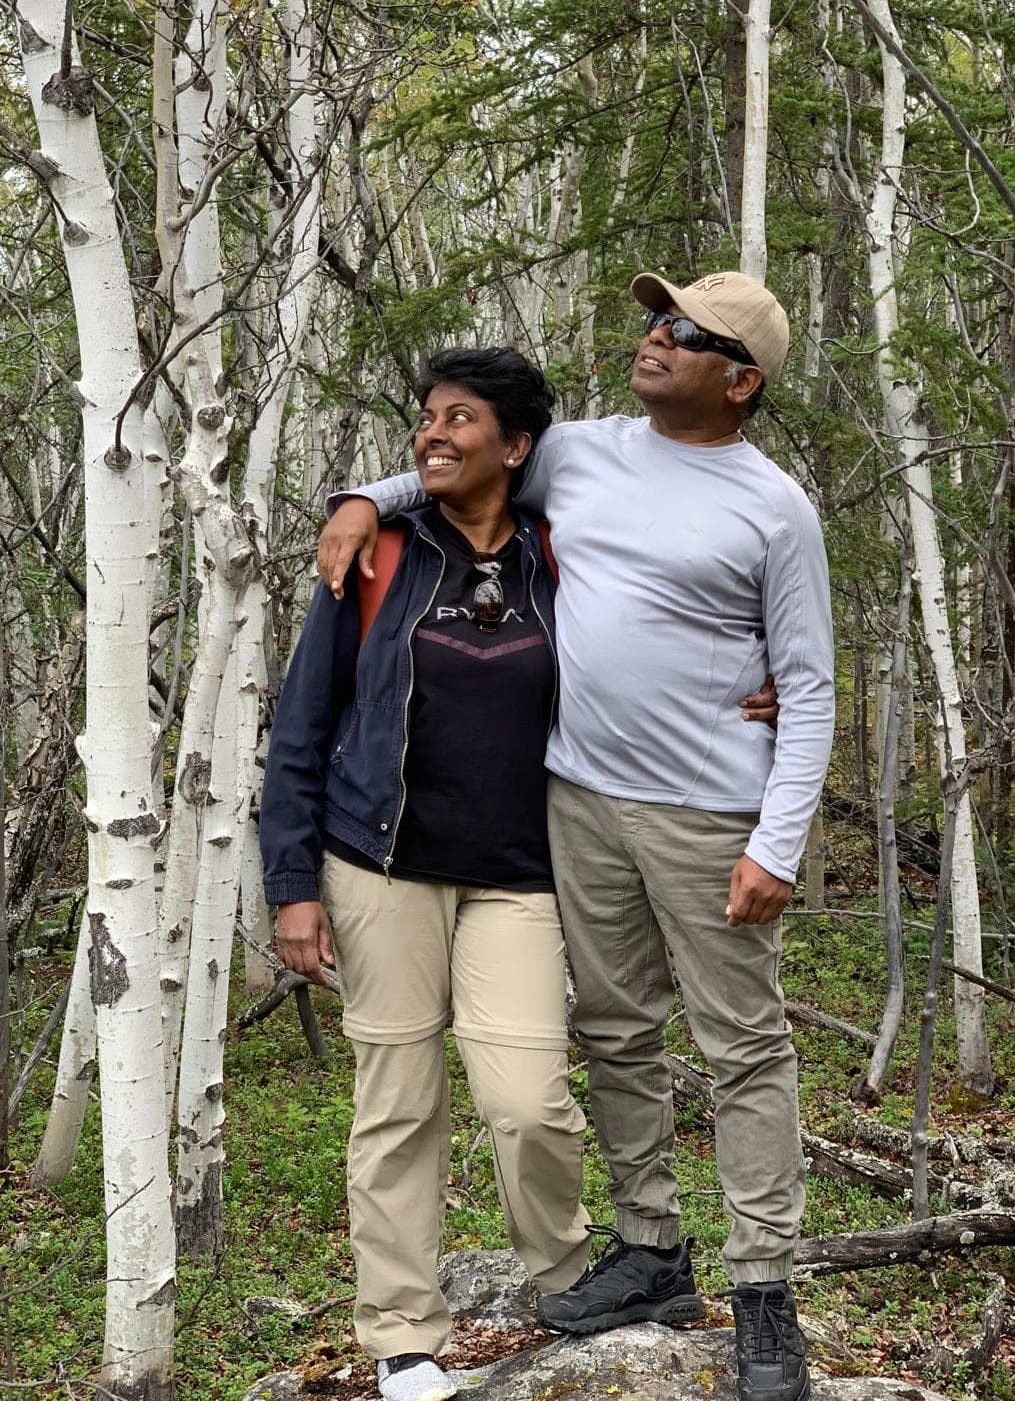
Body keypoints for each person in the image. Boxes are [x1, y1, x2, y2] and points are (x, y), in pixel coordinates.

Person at [319, 271, 835, 1401]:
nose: (654, 336)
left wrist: (777, 845)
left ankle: (764, 1291)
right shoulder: (583, 451)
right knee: (614, 1033)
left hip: (710, 817)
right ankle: (652, 1252)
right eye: (655, 318)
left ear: (740, 380)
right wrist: (362, 497)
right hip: (578, 801)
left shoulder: (774, 507)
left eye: (687, 333)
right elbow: (456, 464)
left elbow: (808, 683)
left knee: (743, 1044)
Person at [259, 349, 593, 1401]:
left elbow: (650, 652)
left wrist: (749, 694)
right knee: (397, 1101)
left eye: (460, 419)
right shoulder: (380, 555)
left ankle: (570, 1283)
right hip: (380, 867)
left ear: (517, 445)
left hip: (521, 873)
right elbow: (303, 721)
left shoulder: (563, 549)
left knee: (529, 1099)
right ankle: (404, 1333)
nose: (432, 434)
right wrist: (292, 883)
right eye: (424, 419)